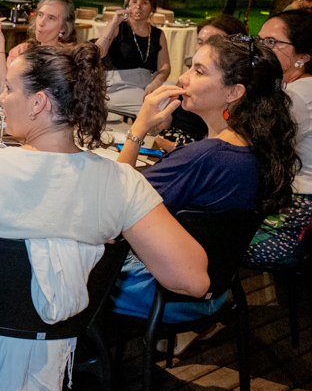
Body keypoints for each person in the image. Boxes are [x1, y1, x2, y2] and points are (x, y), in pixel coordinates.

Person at [0, 43, 209, 391]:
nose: (1, 98)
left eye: (9, 88)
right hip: (65, 324)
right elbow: (193, 280)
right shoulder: (121, 183)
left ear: (39, 102)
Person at [113, 34, 299, 327]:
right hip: (213, 290)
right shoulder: (258, 148)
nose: (183, 79)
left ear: (234, 92)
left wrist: (139, 129)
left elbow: (115, 202)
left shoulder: (206, 157)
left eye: (199, 71)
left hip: (161, 293)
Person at [247, 10, 312, 265]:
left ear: (303, 56)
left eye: (272, 42)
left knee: (209, 240)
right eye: (259, 40)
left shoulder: (298, 96)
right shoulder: (294, 88)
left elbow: (258, 152)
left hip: (294, 216)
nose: (260, 48)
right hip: (291, 205)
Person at [154, 14, 248, 151]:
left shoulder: (229, 92)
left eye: (211, 43)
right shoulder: (187, 78)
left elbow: (216, 147)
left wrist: (172, 147)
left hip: (189, 152)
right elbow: (163, 125)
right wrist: (153, 118)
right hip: (166, 146)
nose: (202, 49)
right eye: (199, 41)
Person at [95, 0, 171, 110]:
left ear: (152, 8)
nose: (138, 6)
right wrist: (114, 23)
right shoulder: (118, 27)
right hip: (119, 85)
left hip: (147, 82)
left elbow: (165, 66)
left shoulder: (158, 34)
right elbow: (98, 53)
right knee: (156, 106)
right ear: (128, 5)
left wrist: (157, 81)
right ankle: (150, 127)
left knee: (174, 93)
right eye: (134, 2)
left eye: (144, 3)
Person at [0, 0, 77, 89]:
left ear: (63, 28)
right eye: (40, 15)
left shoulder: (68, 60)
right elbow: (1, 88)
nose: (41, 22)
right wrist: (0, 43)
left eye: (51, 18)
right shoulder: (21, 51)